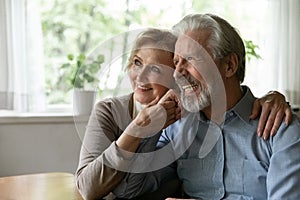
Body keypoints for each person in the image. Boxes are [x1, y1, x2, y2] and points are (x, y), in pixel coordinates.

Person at [75, 27, 293, 200]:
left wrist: (274, 95)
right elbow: (115, 189)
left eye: (190, 59)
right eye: (137, 62)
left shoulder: (278, 128)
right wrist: (142, 128)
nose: (178, 71)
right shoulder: (169, 127)